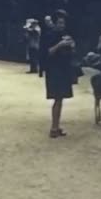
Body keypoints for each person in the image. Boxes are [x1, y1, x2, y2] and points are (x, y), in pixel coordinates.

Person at [40, 10, 75, 138]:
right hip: (54, 70)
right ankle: (54, 128)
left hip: (64, 69)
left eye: (63, 22)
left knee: (60, 99)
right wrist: (60, 45)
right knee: (57, 99)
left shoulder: (64, 34)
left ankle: (56, 126)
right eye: (59, 22)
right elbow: (47, 52)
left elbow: (70, 52)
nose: (62, 25)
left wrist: (71, 45)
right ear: (54, 23)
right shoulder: (49, 35)